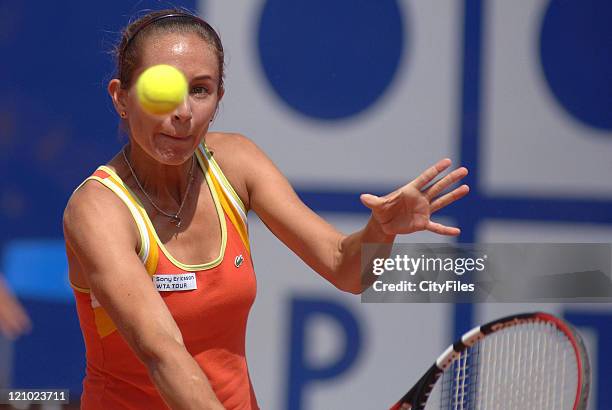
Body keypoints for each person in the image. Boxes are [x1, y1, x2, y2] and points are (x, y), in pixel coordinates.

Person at [63, 9, 469, 410]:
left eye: (201, 90)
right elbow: (163, 352)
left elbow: (346, 268)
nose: (183, 111)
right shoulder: (97, 210)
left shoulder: (237, 162)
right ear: (120, 97)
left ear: (218, 98)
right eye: (162, 89)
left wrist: (381, 231)